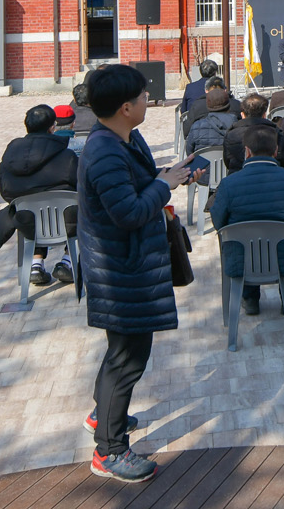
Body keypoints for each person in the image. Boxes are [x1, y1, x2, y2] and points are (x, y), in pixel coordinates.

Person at [77, 64, 192, 483]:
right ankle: (109, 451)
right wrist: (163, 186)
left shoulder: (123, 137)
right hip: (119, 269)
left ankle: (104, 414)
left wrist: (169, 176)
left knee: (122, 353)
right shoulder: (105, 152)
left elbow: (138, 186)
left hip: (128, 263)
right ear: (125, 108)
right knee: (127, 358)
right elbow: (128, 213)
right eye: (143, 97)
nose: (148, 100)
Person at [211, 122, 284, 316]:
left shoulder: (228, 184)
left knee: (243, 242)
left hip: (242, 262)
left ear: (247, 152)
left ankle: (250, 299)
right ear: (276, 151)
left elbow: (218, 222)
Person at [0, 104, 78, 286]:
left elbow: (3, 185)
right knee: (78, 206)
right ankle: (68, 261)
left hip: (26, 222)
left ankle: (36, 264)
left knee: (31, 203)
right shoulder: (67, 156)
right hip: (67, 223)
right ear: (52, 127)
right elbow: (81, 186)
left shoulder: (11, 152)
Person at [222, 93, 284, 173]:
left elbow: (228, 161)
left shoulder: (231, 134)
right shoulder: (277, 133)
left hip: (237, 176)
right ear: (264, 115)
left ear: (242, 115)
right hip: (272, 176)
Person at [187, 85, 239, 156]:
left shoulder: (196, 127)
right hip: (230, 163)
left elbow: (189, 153)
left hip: (203, 163)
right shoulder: (238, 126)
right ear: (228, 105)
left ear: (208, 105)